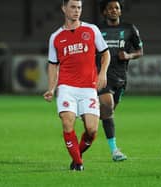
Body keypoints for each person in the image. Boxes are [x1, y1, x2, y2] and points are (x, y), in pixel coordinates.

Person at [43, 0, 110, 171]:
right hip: (67, 87)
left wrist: (102, 73)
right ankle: (78, 164)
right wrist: (51, 88)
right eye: (73, 7)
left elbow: (105, 54)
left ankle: (76, 156)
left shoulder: (91, 30)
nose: (76, 11)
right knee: (67, 122)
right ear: (64, 8)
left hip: (89, 87)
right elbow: (52, 64)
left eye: (79, 7)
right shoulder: (56, 37)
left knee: (92, 130)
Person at [97, 0, 143, 161]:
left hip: (120, 78)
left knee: (106, 114)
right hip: (101, 76)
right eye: (109, 8)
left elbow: (140, 51)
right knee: (107, 107)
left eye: (116, 8)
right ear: (104, 12)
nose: (113, 10)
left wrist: (129, 55)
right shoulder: (97, 30)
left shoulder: (130, 29)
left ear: (120, 11)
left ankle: (88, 127)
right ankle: (115, 151)